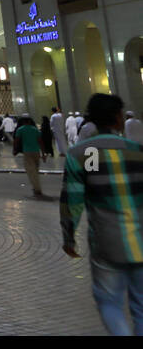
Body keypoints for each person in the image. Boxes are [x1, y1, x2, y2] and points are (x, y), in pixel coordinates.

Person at [60, 93, 143, 335]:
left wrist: (68, 236)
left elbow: (72, 201)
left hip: (107, 244)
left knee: (110, 303)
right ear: (119, 119)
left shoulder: (82, 154)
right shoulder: (137, 151)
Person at [14, 114, 44, 197]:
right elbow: (40, 142)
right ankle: (36, 187)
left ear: (23, 121)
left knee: (31, 172)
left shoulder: (20, 130)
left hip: (27, 152)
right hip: (36, 152)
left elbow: (16, 141)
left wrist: (15, 150)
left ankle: (37, 189)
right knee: (35, 170)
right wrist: (43, 154)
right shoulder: (35, 130)